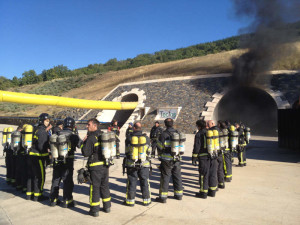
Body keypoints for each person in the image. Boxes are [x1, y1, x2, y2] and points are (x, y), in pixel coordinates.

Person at [49, 117, 82, 207]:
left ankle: (53, 200)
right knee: (67, 181)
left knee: (56, 180)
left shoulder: (57, 133)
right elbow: (80, 145)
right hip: (68, 161)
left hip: (56, 160)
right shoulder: (73, 135)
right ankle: (67, 201)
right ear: (72, 125)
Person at [81, 118, 111, 217]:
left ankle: (94, 210)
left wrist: (83, 143)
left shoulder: (91, 138)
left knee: (95, 188)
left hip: (95, 167)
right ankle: (107, 207)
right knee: (105, 186)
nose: (87, 126)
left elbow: (85, 153)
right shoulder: (103, 135)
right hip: (105, 166)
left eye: (88, 124)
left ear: (95, 125)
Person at [123, 122, 152, 207]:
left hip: (132, 164)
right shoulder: (146, 138)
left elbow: (126, 152)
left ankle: (130, 201)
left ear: (134, 128)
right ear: (140, 128)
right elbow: (149, 151)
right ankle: (146, 201)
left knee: (132, 182)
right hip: (144, 164)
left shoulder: (129, 138)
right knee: (145, 182)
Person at [156, 118, 183, 203]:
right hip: (177, 159)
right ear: (172, 124)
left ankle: (163, 197)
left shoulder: (163, 134)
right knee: (177, 176)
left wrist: (159, 155)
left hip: (166, 159)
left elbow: (160, 147)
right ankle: (179, 195)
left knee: (165, 177)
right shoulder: (178, 133)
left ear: (165, 124)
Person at [27, 113, 52, 201]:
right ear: (42, 121)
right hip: (38, 157)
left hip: (31, 156)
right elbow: (42, 148)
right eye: (47, 121)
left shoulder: (36, 129)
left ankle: (29, 194)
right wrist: (48, 156)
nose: (48, 122)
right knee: (40, 176)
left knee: (32, 176)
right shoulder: (43, 132)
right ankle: (38, 195)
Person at [192, 120, 210, 199]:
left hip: (202, 157)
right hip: (209, 156)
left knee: (202, 175)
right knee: (207, 174)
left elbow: (197, 147)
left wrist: (194, 157)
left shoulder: (199, 134)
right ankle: (206, 190)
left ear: (199, 126)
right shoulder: (208, 132)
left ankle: (203, 192)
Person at [206, 120, 220, 197]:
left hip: (211, 154)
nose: (207, 126)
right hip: (216, 152)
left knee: (211, 173)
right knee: (216, 171)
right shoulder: (217, 130)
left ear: (212, 124)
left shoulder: (211, 131)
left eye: (208, 124)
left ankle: (212, 190)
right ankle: (216, 187)